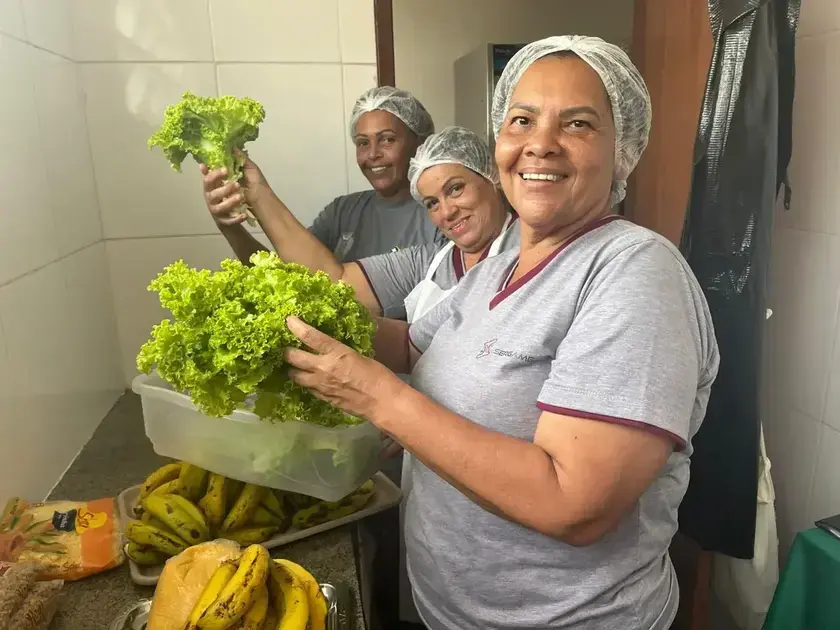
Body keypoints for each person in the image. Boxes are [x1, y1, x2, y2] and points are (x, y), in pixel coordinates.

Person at [282, 34, 720, 630]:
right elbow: (412, 345)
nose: (540, 143)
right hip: (456, 613)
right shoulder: (497, 263)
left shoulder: (634, 272)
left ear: (622, 151)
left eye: (579, 123)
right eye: (521, 119)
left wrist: (376, 397)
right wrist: (306, 313)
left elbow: (575, 505)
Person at [201, 86, 441, 264]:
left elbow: (339, 282)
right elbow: (285, 278)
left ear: (420, 143)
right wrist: (230, 226)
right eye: (362, 143)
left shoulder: (442, 216)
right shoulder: (342, 212)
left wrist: (260, 195)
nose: (373, 154)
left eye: (387, 140)